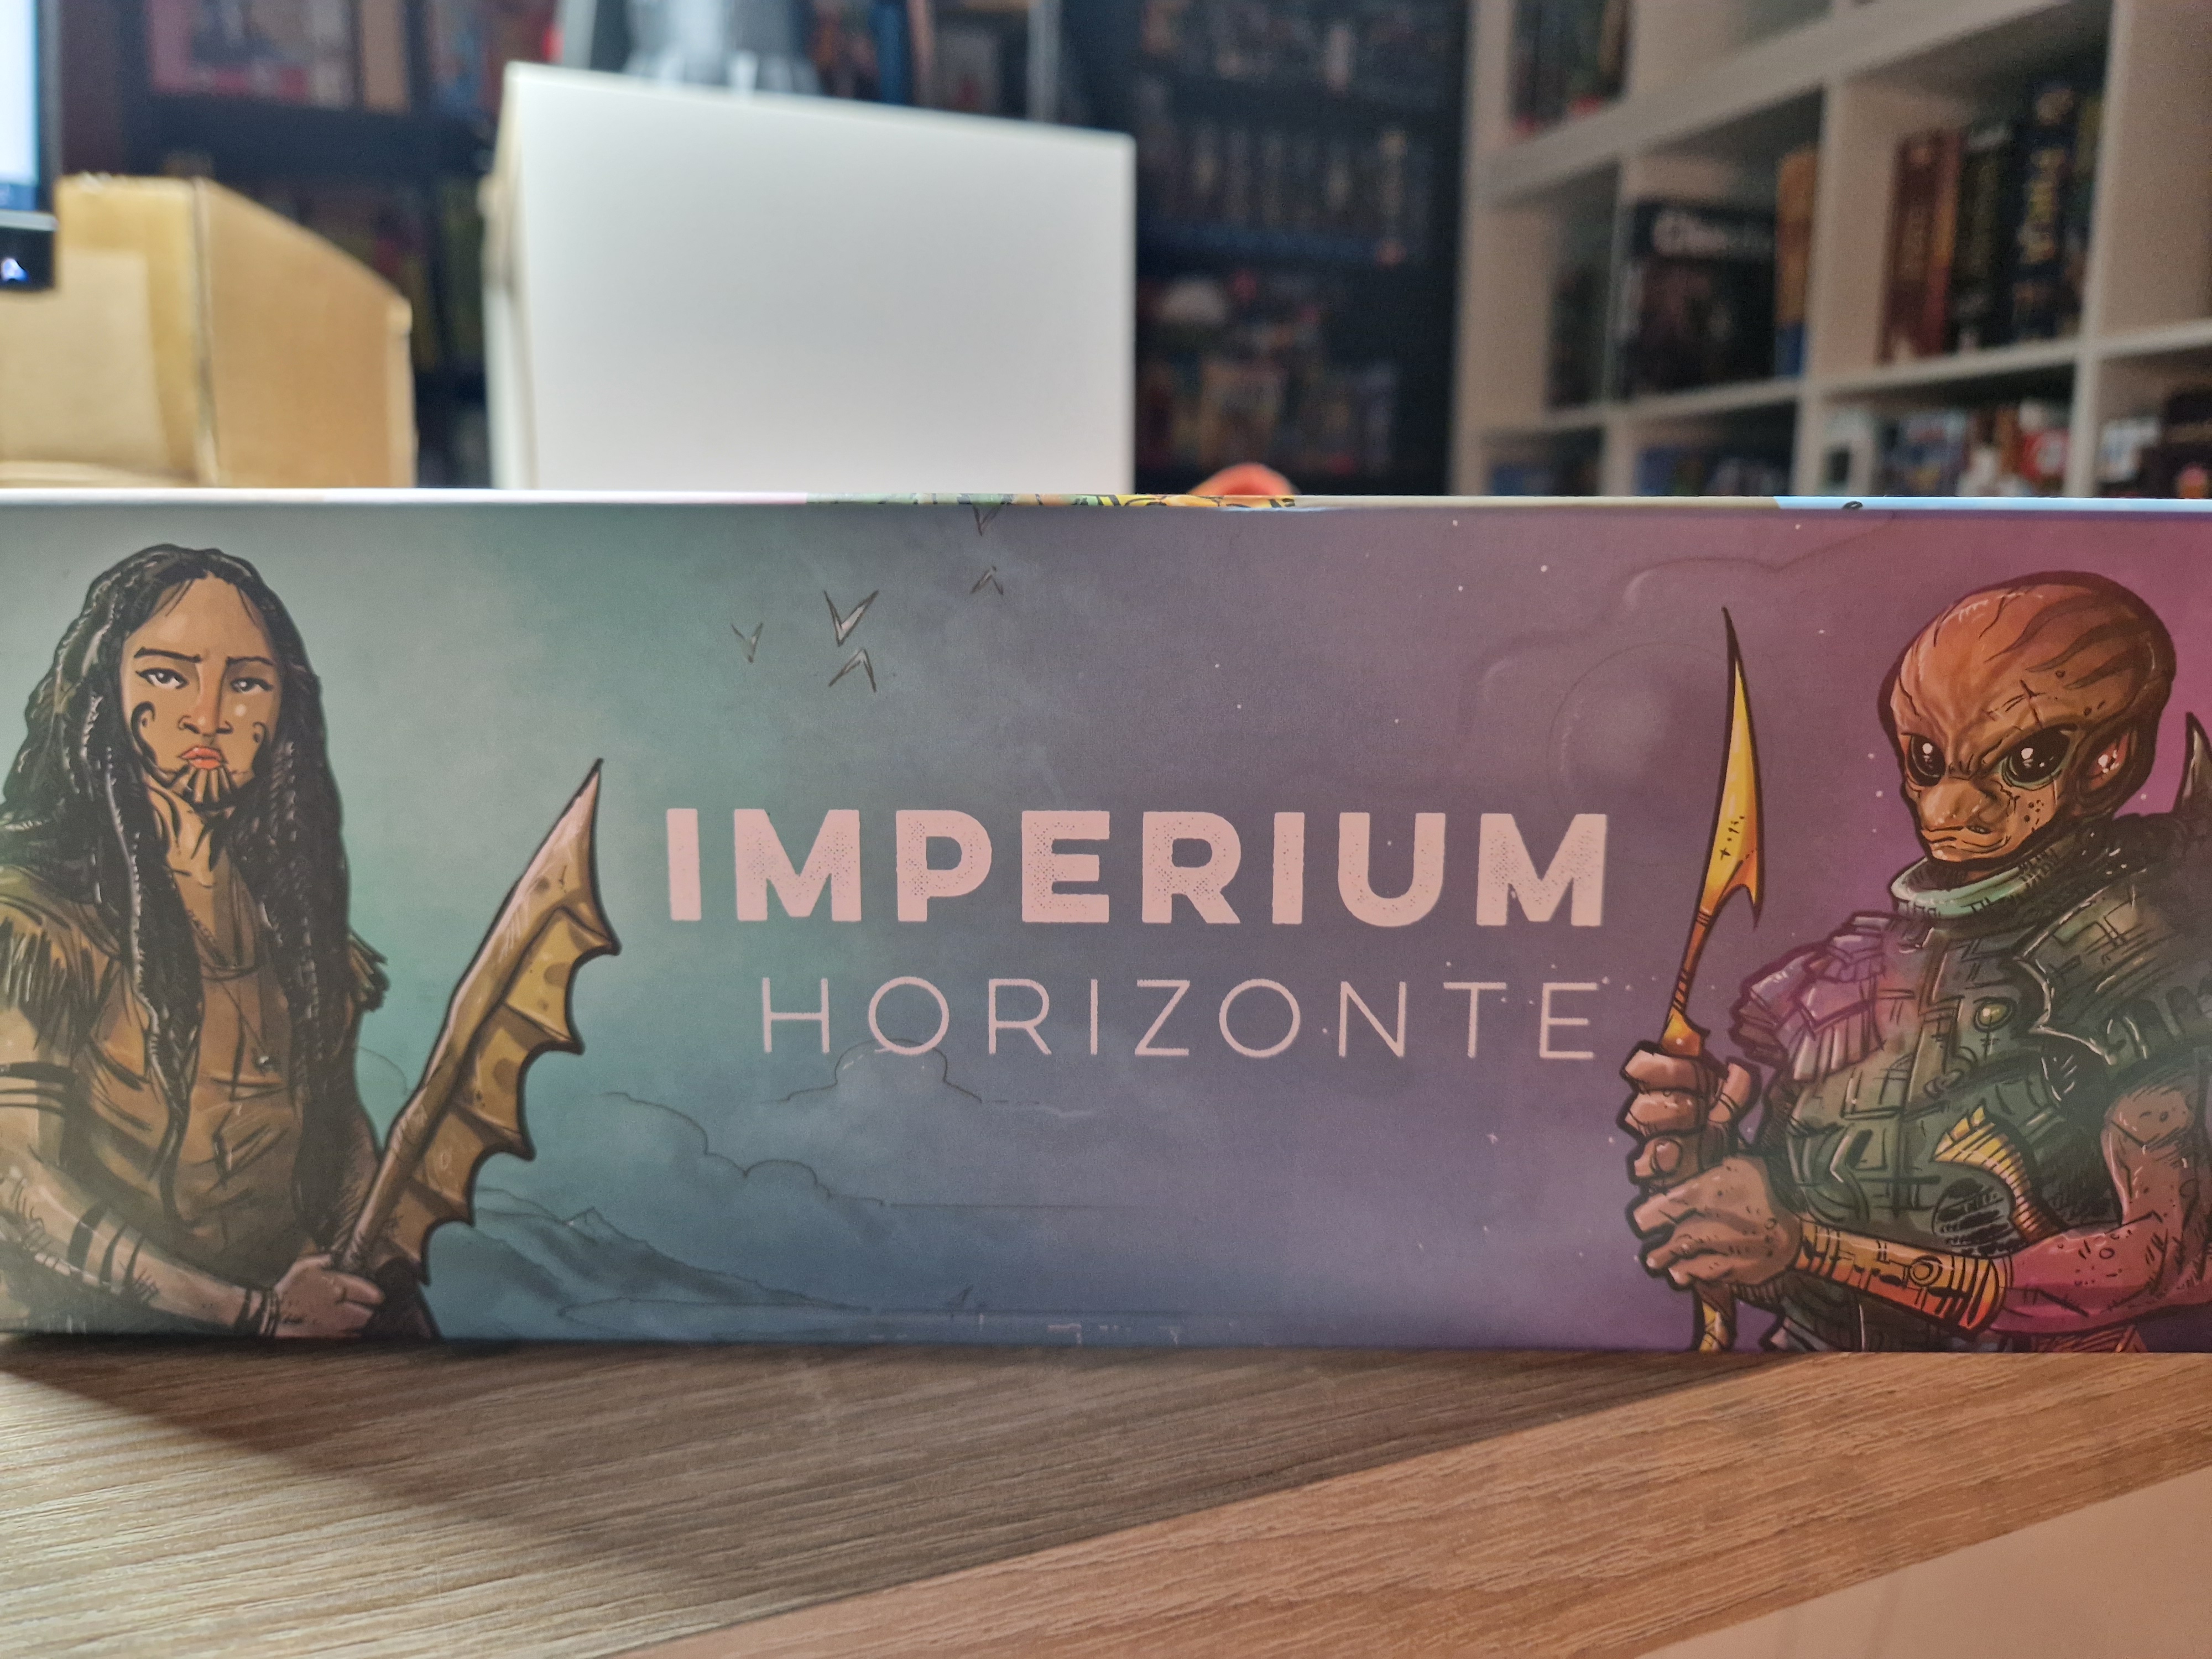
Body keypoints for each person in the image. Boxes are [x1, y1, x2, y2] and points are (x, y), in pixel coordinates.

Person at [1623, 572, 2212, 1350]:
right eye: (1929, 760)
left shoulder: (2147, 956)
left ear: (2107, 760)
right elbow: (1788, 1272)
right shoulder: (1848, 977)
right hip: (1811, 1390)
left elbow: (2164, 1262)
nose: (1947, 810)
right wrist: (1713, 1183)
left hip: (2041, 1401)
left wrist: (1808, 1246)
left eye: (2024, 759)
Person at [0, 545, 429, 1336]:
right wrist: (252, 1315)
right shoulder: (36, 923)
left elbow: (337, 1141)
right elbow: (18, 1182)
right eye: (167, 675)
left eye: (246, 682)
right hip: (104, 1352)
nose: (209, 714)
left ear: (281, 709)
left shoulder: (298, 928)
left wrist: (373, 1271)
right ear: (104, 692)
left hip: (307, 1330)